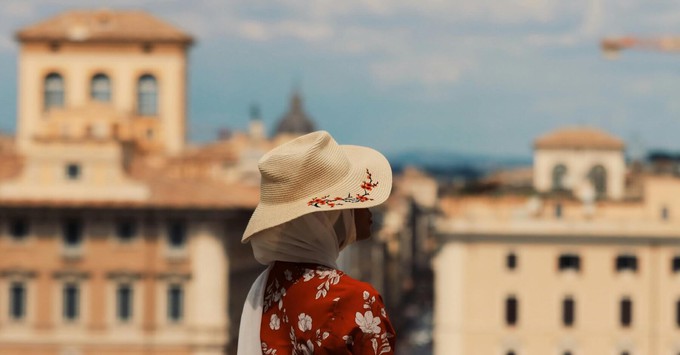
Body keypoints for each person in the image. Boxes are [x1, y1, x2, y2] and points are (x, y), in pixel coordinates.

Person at [238, 130, 396, 354]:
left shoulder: (266, 289)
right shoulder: (356, 300)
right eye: (357, 199)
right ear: (332, 214)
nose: (369, 209)